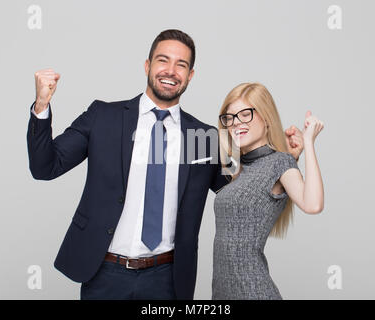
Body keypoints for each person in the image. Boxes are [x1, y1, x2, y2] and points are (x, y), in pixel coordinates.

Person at [27, 30, 304, 300]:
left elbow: (243, 188)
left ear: (190, 75)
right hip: (103, 273)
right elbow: (45, 167)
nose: (170, 71)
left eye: (181, 64)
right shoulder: (104, 117)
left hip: (167, 279)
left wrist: (285, 158)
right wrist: (42, 106)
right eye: (163, 60)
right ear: (148, 65)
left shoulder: (205, 137)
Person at [213, 82, 324, 300]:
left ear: (266, 118)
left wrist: (309, 142)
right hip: (222, 294)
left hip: (253, 292)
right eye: (230, 117)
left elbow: (313, 204)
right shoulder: (237, 169)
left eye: (245, 114)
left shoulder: (280, 163)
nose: (236, 123)